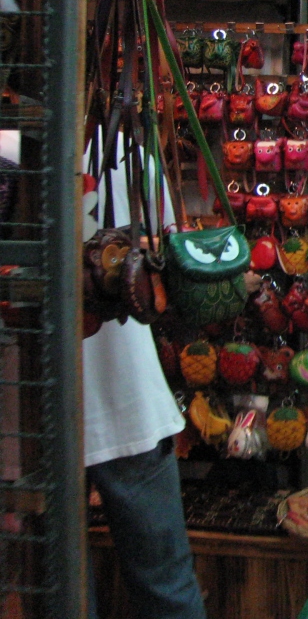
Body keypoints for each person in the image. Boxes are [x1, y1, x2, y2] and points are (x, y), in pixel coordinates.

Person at [82, 171, 207, 619]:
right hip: (126, 400)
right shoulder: (127, 154)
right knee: (165, 588)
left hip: (44, 412)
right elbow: (163, 265)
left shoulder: (126, 154)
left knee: (55, 586)